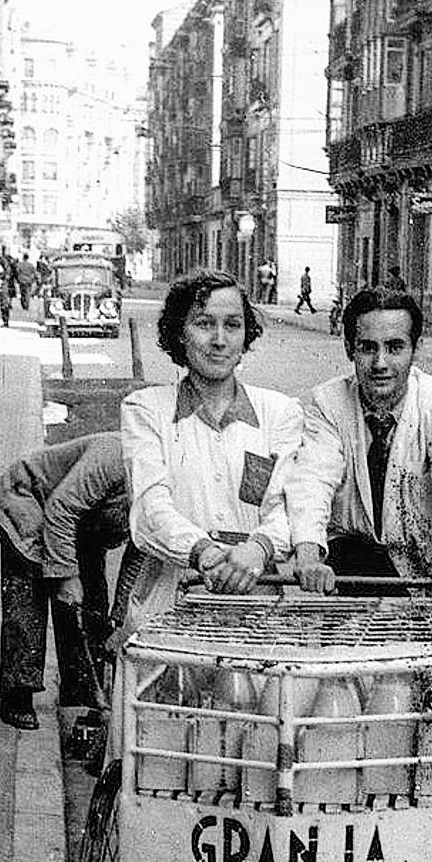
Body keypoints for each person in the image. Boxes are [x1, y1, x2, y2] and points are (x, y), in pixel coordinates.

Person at [116, 269, 303, 642]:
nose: (220, 340)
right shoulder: (146, 409)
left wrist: (259, 547)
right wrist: (203, 551)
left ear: (245, 334)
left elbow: (290, 507)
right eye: (204, 324)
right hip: (169, 605)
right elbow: (151, 509)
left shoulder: (280, 412)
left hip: (258, 603)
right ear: (179, 333)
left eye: (232, 325)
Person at [286, 285, 432, 595]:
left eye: (395, 347)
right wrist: (308, 556)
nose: (380, 363)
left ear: (416, 349)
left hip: (425, 567)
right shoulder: (328, 401)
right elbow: (312, 480)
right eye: (368, 347)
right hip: (353, 565)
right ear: (348, 348)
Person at [0, 434, 131, 729]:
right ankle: (17, 693)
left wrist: (121, 617)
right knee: (29, 593)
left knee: (92, 600)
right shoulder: (115, 456)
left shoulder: (164, 494)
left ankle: (81, 690)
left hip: (79, 522)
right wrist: (67, 576)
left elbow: (139, 557)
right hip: (28, 498)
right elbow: (60, 510)